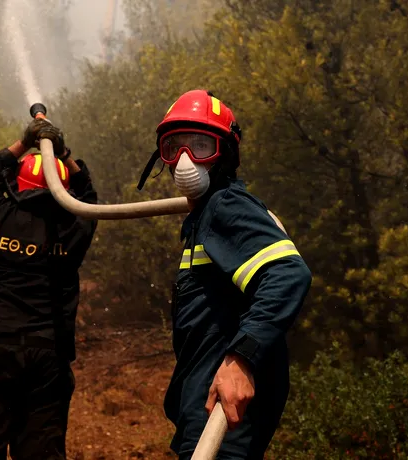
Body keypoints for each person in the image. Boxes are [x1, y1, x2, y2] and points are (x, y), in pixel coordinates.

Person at [136, 89, 313, 459]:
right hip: (203, 409)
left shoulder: (225, 205)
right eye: (174, 147)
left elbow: (287, 273)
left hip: (220, 416)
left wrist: (241, 360)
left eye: (200, 145)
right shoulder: (204, 217)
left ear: (225, 154)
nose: (185, 161)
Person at [0, 118, 98, 459]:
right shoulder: (74, 227)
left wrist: (23, 144)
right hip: (47, 357)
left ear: (17, 186)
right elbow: (88, 194)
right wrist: (62, 152)